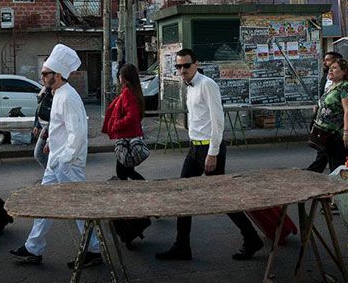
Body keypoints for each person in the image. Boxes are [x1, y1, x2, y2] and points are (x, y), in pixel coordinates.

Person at [155, 48, 263, 262]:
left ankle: (251, 238)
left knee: (223, 198)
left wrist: (212, 153)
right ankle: (182, 246)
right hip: (195, 148)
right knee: (183, 194)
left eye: (186, 65)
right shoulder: (189, 86)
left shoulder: (207, 84)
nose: (182, 69)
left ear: (196, 64)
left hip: (209, 149)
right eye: (179, 66)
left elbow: (218, 121)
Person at [11, 44, 101, 268]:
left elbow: (78, 133)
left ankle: (94, 250)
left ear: (57, 75)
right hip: (57, 161)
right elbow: (60, 126)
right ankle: (33, 247)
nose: (41, 77)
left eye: (45, 73)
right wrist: (51, 142)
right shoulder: (58, 94)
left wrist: (65, 159)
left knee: (78, 207)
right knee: (46, 204)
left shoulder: (68, 97)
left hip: (67, 164)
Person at [307, 59, 348, 173]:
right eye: (330, 68)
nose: (330, 70)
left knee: (341, 168)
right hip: (328, 135)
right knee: (334, 165)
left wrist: (347, 132)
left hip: (339, 135)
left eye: (334, 68)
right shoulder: (332, 86)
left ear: (344, 71)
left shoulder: (346, 87)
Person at [102, 63, 146, 180]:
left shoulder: (127, 92)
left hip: (126, 137)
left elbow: (131, 115)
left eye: (120, 75)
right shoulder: (135, 91)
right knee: (126, 170)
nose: (119, 77)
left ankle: (144, 186)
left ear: (124, 77)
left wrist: (117, 125)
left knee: (123, 171)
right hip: (131, 135)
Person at [32, 87, 53, 170]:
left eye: (45, 75)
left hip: (50, 127)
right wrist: (37, 124)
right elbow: (40, 107)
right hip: (46, 126)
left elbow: (55, 117)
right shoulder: (46, 90)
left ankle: (52, 175)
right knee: (40, 154)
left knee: (39, 153)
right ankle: (52, 175)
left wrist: (49, 141)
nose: (43, 78)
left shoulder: (57, 93)